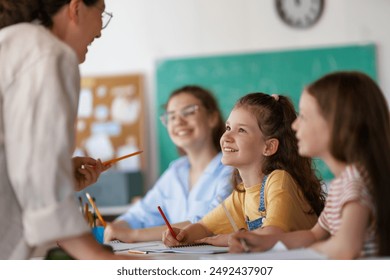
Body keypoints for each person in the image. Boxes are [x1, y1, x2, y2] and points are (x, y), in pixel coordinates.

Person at [0, 0, 139, 259]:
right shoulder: (47, 51)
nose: (100, 30)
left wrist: (62, 172)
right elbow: (40, 179)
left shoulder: (13, 43)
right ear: (75, 8)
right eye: (102, 12)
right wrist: (100, 260)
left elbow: (21, 163)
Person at [229, 71, 390, 259]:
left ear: (337, 125)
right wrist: (266, 242)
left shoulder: (357, 183)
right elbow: (313, 235)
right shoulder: (342, 184)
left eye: (304, 117)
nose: (295, 126)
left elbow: (345, 248)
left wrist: (303, 254)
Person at [163, 92, 325, 247]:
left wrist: (228, 238)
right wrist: (182, 235)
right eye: (227, 128)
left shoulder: (279, 180)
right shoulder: (242, 193)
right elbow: (205, 227)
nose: (226, 137)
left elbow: (272, 234)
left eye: (241, 130)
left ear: (268, 147)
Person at [103, 85, 234, 243]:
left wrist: (133, 235)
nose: (178, 121)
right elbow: (139, 215)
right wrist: (116, 227)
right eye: (171, 116)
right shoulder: (175, 172)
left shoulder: (231, 171)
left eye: (188, 112)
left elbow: (208, 223)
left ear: (212, 118)